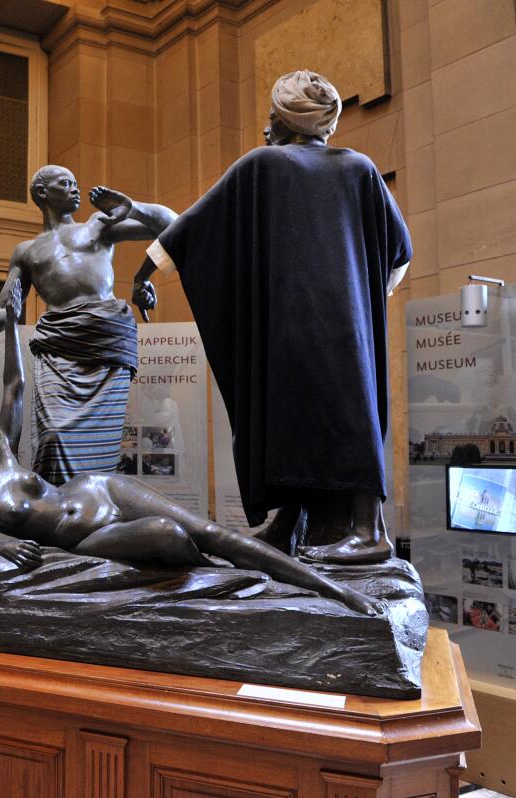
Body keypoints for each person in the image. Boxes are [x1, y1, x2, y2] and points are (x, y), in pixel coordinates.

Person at [0, 289, 382, 617]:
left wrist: (10, 328)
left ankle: (335, 592)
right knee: (170, 536)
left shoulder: (2, 451)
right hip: (83, 537)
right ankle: (254, 583)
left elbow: (14, 386)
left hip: (100, 489)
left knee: (212, 532)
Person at [131, 70, 412, 565]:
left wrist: (143, 270)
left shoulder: (263, 164)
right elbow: (399, 251)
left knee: (307, 415)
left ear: (288, 122)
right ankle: (289, 523)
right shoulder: (360, 168)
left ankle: (373, 533)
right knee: (329, 414)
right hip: (347, 326)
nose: (265, 130)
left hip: (290, 326)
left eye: (271, 119)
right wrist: (364, 298)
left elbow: (196, 226)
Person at [0, 166, 175, 485]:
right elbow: (5, 308)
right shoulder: (26, 252)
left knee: (101, 448)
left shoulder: (98, 226)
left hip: (104, 339)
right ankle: (56, 518)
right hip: (58, 348)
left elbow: (170, 223)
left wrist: (132, 209)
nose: (76, 189)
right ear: (42, 193)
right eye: (66, 184)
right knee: (53, 437)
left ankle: (94, 512)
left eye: (76, 183)